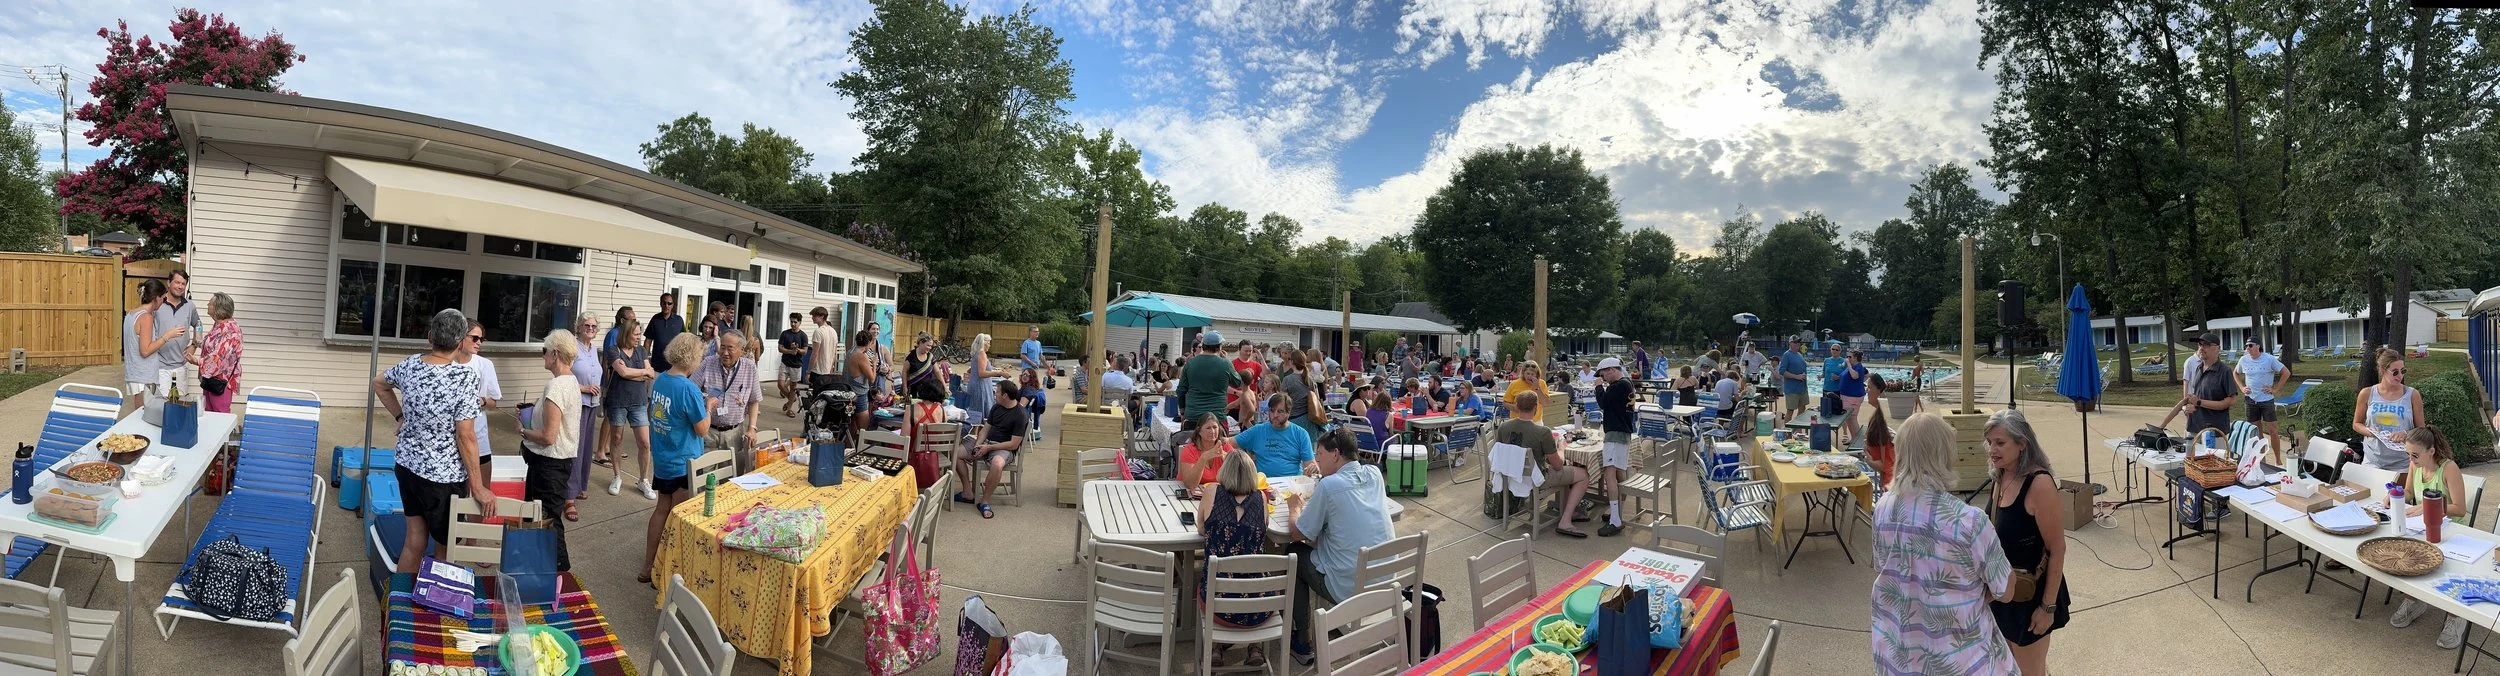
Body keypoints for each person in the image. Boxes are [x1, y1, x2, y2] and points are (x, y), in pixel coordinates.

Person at [1871, 412, 2021, 674]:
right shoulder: (1969, 521)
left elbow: (1884, 568)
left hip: (1898, 658)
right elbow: (2006, 590)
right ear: (1944, 454)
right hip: (1961, 662)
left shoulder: (1883, 508)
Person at [373, 309, 495, 575]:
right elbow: (466, 436)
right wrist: (478, 487)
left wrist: (401, 416)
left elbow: (379, 383)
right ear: (460, 342)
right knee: (445, 546)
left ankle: (398, 596)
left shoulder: (410, 365)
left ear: (430, 337)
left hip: (407, 467)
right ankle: (436, 598)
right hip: (443, 479)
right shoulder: (464, 378)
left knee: (414, 539)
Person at [1285, 428, 1396, 666]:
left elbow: (1298, 533)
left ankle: (1302, 640)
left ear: (1335, 454)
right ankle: (1331, 621)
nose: (1317, 460)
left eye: (1320, 454)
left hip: (1350, 588)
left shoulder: (1329, 486)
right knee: (1334, 544)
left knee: (1294, 552)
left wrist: (1294, 508)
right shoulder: (1375, 474)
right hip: (1386, 581)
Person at [1985, 409, 2071, 673]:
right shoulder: (2000, 476)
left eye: (2000, 443)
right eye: (1989, 442)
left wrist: (2047, 608)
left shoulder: (2039, 484)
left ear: (2022, 443)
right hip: (2003, 595)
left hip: (2032, 598)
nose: (1992, 450)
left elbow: (2057, 550)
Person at [2390, 425, 2471, 648]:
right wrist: (2395, 494)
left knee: (2446, 567)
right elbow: (2409, 493)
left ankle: (2456, 615)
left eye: (2415, 455)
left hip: (2451, 531)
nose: (2411, 459)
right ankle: (2414, 599)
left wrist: (2427, 506)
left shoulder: (2448, 469)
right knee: (2405, 552)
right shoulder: (2415, 465)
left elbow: (2460, 509)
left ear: (2431, 451)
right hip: (2423, 528)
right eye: (2408, 454)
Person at [638, 333, 708, 584]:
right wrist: (709, 406)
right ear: (693, 357)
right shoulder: (688, 389)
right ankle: (668, 572)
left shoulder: (661, 380)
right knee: (679, 518)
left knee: (661, 510)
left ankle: (648, 566)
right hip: (683, 460)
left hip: (663, 458)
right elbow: (702, 429)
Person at [1198, 449, 1274, 667]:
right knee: (1253, 577)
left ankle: (1215, 647)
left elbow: (1201, 528)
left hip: (1219, 605)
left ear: (1225, 471)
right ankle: (1255, 647)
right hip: (1258, 606)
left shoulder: (1211, 491)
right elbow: (1264, 528)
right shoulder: (1261, 498)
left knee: (1206, 581)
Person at [519, 329, 582, 571]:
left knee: (548, 520)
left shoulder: (556, 386)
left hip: (549, 464)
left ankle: (559, 572)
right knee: (539, 517)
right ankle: (541, 568)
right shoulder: (571, 381)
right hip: (556, 462)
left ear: (555, 354)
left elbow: (548, 436)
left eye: (544, 351)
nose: (543, 355)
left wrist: (524, 431)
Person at [1499, 391, 1591, 538]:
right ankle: (1566, 520)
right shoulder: (1542, 432)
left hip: (1511, 475)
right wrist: (1561, 448)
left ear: (1516, 406)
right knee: (1583, 475)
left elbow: (1500, 452)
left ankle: (1565, 507)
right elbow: (1558, 465)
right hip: (1537, 479)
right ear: (1536, 408)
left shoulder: (1503, 427)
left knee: (1566, 472)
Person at [952, 380, 1026, 519]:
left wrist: (989, 448)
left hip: (1003, 448)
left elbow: (1013, 444)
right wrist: (978, 444)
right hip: (986, 443)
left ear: (1005, 395)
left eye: (997, 392)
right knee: (955, 452)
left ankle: (984, 501)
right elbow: (985, 429)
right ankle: (968, 492)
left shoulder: (1020, 414)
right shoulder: (996, 407)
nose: (994, 394)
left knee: (997, 464)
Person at [604, 318, 658, 500]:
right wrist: (641, 372)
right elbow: (623, 372)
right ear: (626, 334)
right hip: (618, 401)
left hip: (639, 402)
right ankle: (617, 476)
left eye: (639, 334)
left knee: (645, 443)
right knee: (616, 439)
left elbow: (651, 374)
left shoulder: (641, 351)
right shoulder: (614, 350)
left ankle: (643, 480)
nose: (638, 337)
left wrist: (633, 373)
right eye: (635, 334)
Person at [698, 330, 763, 473]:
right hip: (708, 432)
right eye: (722, 347)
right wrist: (704, 399)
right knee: (704, 478)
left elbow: (754, 400)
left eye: (730, 348)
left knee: (732, 477)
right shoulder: (708, 363)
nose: (725, 353)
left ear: (741, 350)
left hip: (734, 433)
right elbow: (691, 390)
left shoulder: (749, 368)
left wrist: (752, 428)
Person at [566, 312, 604, 521]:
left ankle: (580, 485)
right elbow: (564, 374)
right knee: (575, 449)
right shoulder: (572, 347)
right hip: (577, 402)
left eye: (593, 326)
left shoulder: (593, 349)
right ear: (579, 327)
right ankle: (568, 497)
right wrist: (584, 388)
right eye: (587, 325)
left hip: (592, 404)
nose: (590, 329)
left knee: (587, 447)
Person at [121, 279, 179, 412]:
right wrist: (168, 336)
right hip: (143, 376)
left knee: (140, 414)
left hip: (135, 373)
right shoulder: (146, 317)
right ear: (156, 298)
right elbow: (145, 350)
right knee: (143, 416)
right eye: (163, 298)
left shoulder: (130, 314)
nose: (163, 302)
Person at [1593, 357, 1634, 537]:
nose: (1603, 378)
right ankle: (1617, 513)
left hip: (1615, 433)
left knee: (1610, 474)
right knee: (1620, 472)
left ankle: (1615, 520)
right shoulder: (1627, 383)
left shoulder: (1618, 386)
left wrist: (1598, 387)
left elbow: (1603, 403)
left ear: (1611, 370)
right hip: (1623, 432)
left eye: (1603, 375)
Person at [2170, 333, 2239, 439]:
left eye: (2206, 345)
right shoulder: (2199, 369)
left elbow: (2232, 401)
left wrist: (2199, 402)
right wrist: (2191, 406)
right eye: (2200, 344)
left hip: (2214, 432)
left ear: (2217, 348)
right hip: (2194, 428)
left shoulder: (2224, 371)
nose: (2201, 348)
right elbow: (2198, 397)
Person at [458, 319, 503, 474]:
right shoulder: (446, 363)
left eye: (481, 339)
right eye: (475, 338)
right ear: (460, 336)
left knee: (482, 484)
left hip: (478, 435)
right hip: (451, 436)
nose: (479, 343)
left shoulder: (485, 364)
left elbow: (493, 403)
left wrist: (481, 401)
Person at [2234, 339, 2288, 464]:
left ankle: (2278, 460)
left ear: (2258, 346)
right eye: (2246, 346)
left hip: (2266, 400)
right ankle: (2262, 462)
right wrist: (2242, 388)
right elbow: (2235, 373)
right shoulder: (2243, 360)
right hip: (2250, 400)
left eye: (2250, 345)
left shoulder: (2269, 359)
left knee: (2272, 430)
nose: (2248, 348)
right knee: (2256, 432)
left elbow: (2286, 372)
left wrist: (2275, 390)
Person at [1236, 393, 1316, 478]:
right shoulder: (1258, 430)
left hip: (1292, 482)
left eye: (1280, 411)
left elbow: (1310, 464)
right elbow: (1229, 442)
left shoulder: (1301, 434)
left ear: (1288, 412)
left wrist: (1313, 469)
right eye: (1272, 410)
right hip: (1264, 482)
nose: (1275, 415)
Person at [193, 292, 243, 414]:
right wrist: (196, 343)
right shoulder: (219, 325)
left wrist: (196, 361)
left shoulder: (231, 330)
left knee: (220, 415)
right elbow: (212, 345)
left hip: (221, 381)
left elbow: (219, 358)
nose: (207, 305)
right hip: (210, 379)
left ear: (218, 308)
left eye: (210, 303)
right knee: (209, 413)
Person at [1179, 331, 1237, 426]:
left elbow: (1181, 390)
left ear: (1203, 346)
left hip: (1193, 416)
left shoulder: (1190, 363)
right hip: (1217, 417)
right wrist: (1226, 360)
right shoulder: (1225, 364)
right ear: (1219, 347)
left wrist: (1182, 412)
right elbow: (1237, 382)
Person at [1177, 412, 1241, 494]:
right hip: (1189, 492)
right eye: (1208, 428)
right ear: (1199, 431)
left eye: (1215, 427)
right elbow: (1190, 484)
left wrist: (1229, 462)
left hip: (1216, 493)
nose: (1212, 431)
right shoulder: (1189, 450)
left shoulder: (1225, 447)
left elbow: (1239, 477)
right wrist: (1203, 458)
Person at [154, 269, 197, 391]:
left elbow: (198, 325)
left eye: (183, 284)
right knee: (162, 401)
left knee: (179, 400)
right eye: (177, 282)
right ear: (169, 283)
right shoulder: (158, 304)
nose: (180, 286)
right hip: (160, 365)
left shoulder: (190, 306)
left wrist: (194, 345)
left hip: (181, 365)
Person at [1863, 374, 1898, 482]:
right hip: (1886, 479)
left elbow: (1885, 465)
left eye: (1869, 388)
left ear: (1879, 391)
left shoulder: (1881, 421)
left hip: (1889, 482)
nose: (1866, 391)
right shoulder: (1878, 416)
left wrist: (1869, 461)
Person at [964, 333, 1004, 428]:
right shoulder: (982, 354)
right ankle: (981, 431)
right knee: (980, 412)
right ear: (984, 343)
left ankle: (976, 430)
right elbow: (981, 373)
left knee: (975, 410)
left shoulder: (976, 354)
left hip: (975, 385)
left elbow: (971, 369)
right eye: (989, 343)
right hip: (980, 387)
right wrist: (999, 373)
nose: (989, 345)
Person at [849, 330, 884, 437]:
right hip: (859, 394)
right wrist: (874, 364)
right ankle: (861, 446)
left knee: (851, 427)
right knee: (865, 429)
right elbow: (872, 379)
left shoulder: (850, 352)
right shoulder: (861, 356)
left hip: (848, 392)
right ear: (868, 343)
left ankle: (849, 446)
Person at [644, 292, 686, 374]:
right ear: (661, 304)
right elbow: (648, 341)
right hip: (656, 367)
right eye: (664, 303)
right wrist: (646, 360)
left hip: (674, 367)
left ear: (673, 305)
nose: (667, 306)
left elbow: (684, 341)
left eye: (669, 303)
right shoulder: (655, 319)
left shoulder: (679, 320)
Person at [777, 312, 809, 417]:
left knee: (793, 387)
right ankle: (792, 398)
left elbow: (805, 351)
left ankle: (789, 409)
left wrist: (797, 350)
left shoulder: (803, 336)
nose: (793, 324)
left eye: (795, 322)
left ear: (800, 322)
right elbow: (780, 348)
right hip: (785, 363)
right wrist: (790, 351)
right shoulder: (785, 334)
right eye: (791, 322)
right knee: (780, 384)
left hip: (796, 365)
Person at [1836, 350, 1871, 445]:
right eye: (1847, 357)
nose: (1847, 359)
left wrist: (1848, 365)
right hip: (1847, 396)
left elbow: (1855, 376)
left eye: (1850, 357)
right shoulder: (1852, 366)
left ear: (1855, 358)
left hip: (1853, 397)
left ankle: (1859, 442)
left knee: (1852, 418)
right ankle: (1854, 439)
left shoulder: (1858, 367)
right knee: (1849, 419)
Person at [1779, 337, 1811, 417]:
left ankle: (1797, 425)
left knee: (1802, 408)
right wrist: (1796, 377)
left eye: (1798, 342)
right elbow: (1782, 371)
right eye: (1795, 342)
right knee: (1790, 411)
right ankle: (1788, 425)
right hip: (1792, 390)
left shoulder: (1799, 355)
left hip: (1802, 389)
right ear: (1790, 343)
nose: (1797, 344)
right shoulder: (1786, 355)